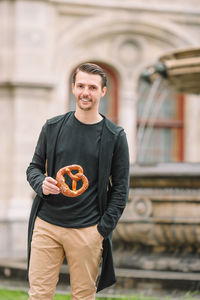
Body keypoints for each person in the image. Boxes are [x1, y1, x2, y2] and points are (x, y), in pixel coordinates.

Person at [26, 62, 130, 300]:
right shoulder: (52, 127)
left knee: (83, 296)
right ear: (73, 88)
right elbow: (33, 168)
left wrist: (101, 230)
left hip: (87, 230)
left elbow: (121, 189)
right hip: (47, 226)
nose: (86, 92)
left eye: (92, 87)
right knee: (39, 295)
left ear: (103, 91)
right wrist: (40, 183)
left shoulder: (115, 137)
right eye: (81, 85)